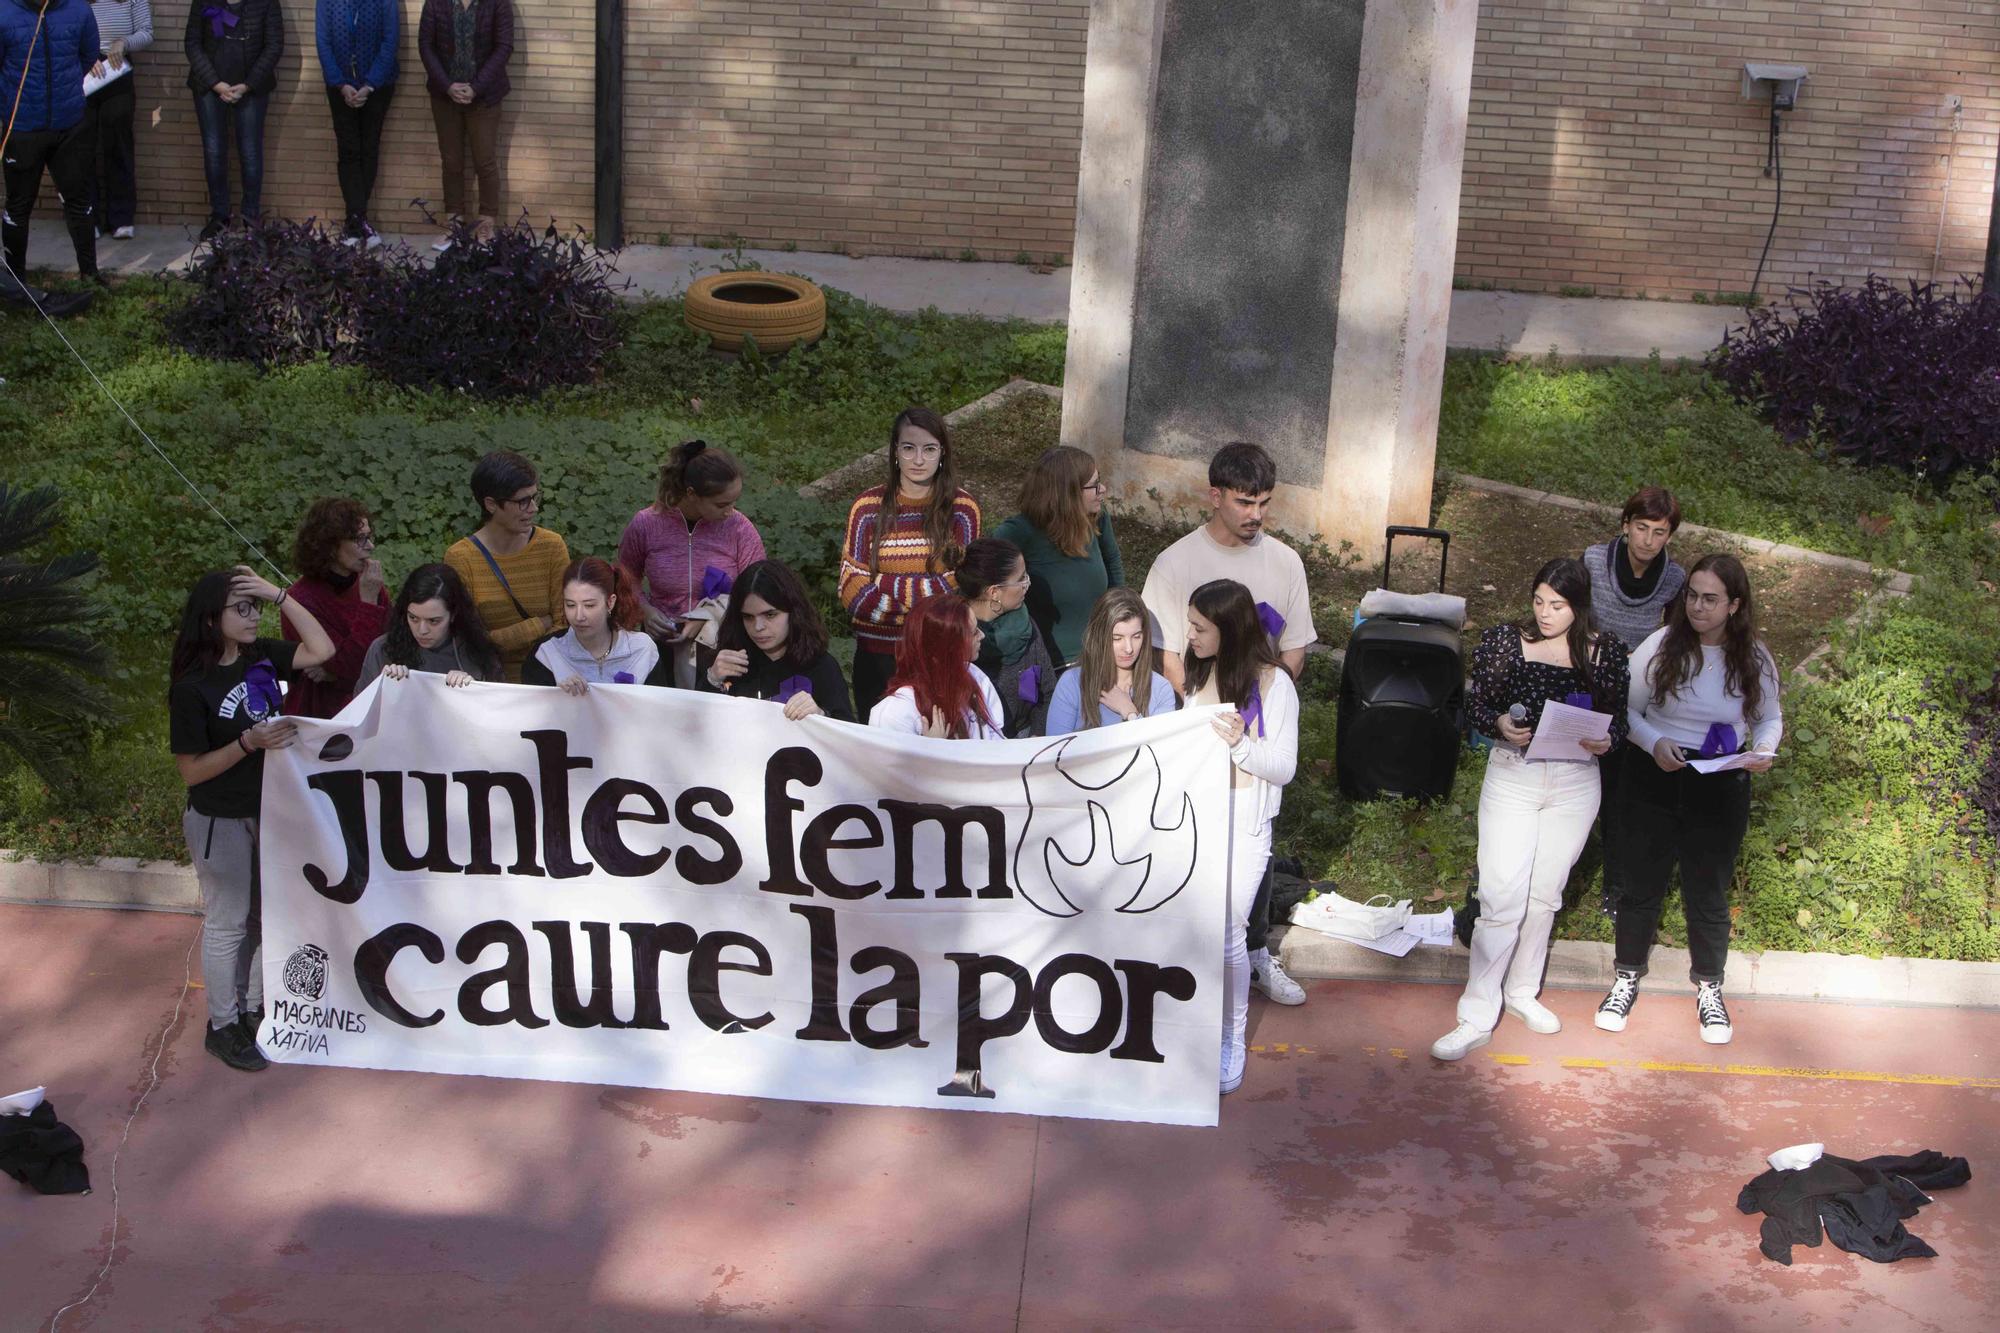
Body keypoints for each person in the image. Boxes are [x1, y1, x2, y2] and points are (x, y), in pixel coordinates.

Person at [1431, 559, 1631, 1062]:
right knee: (1500, 895)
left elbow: (1621, 720)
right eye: (1539, 600)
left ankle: (1521, 992)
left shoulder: (1606, 652)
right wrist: (1499, 722)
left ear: (1578, 606)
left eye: (1557, 605)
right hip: (1514, 773)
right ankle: (1476, 1013)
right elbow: (1475, 705)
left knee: (1545, 895)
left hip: (1576, 780)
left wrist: (1607, 740)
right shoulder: (1505, 641)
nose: (1545, 613)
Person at [1141, 440, 1316, 1008]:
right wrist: (1206, 709)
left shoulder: (1285, 562)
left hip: (1256, 740)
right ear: (1214, 495)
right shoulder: (1175, 564)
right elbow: (1166, 652)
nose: (1256, 515)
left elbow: (1293, 650)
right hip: (1198, 742)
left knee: (1256, 852)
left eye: (1265, 502)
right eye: (1244, 502)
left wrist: (1263, 702)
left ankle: (1257, 953)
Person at [1597, 553, 1782, 1046]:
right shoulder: (1661, 644)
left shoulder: (1754, 656)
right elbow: (1625, 710)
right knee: (1640, 883)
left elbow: (1767, 718)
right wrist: (1653, 742)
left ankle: (1710, 988)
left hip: (1720, 780)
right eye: (1692, 596)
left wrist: (1764, 749)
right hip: (1654, 772)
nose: (1698, 607)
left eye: (1710, 599)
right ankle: (1626, 977)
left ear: (1734, 605)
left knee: (1708, 889)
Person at [168, 564, 335, 1072]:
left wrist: (277, 593)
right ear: (210, 617)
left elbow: (321, 650)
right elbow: (193, 772)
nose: (251, 617)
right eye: (240, 609)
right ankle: (222, 1026)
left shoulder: (259, 656)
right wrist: (247, 743)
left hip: (271, 813)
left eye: (254, 608)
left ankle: (253, 1009)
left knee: (267, 918)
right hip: (220, 819)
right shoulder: (191, 686)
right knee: (227, 923)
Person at [1181, 579, 1298, 1093]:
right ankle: (1196, 1027)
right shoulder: (1196, 673)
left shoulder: (1276, 684)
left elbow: (1285, 767)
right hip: (1197, 819)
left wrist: (1241, 747)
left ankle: (1231, 1038)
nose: (1189, 635)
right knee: (1196, 929)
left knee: (1229, 932)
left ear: (1228, 631)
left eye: (1199, 627)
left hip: (1245, 822)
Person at [1583, 485, 1688, 919]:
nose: (1648, 540)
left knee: (1621, 791)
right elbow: (1573, 613)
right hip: (1588, 676)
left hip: (1637, 688)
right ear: (1625, 526)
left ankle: (1616, 881)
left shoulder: (1675, 579)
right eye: (1641, 528)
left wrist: (1640, 661)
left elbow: (1676, 636)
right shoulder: (1592, 560)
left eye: (1659, 532)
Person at [839, 406, 981, 717]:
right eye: (909, 448)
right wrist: (928, 605)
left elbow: (962, 586)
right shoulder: (867, 508)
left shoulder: (963, 509)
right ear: (894, 452)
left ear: (942, 453)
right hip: (877, 657)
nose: (918, 460)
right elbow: (852, 589)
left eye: (929, 449)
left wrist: (882, 582)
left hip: (938, 658)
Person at [617, 439, 765, 687]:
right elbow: (624, 576)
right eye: (722, 504)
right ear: (691, 494)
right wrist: (645, 610)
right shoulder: (647, 524)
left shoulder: (740, 529)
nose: (731, 510)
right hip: (660, 645)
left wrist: (707, 616)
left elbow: (758, 586)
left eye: (734, 501)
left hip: (721, 646)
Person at [443, 450, 570, 682]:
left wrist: (503, 639)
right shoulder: (461, 558)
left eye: (534, 497)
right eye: (522, 501)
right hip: (490, 682)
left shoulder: (551, 547)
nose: (533, 508)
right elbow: (473, 640)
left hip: (547, 677)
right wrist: (539, 623)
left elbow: (563, 625)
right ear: (491, 504)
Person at [1, 0, 103, 290]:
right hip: (21, 128)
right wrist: (9, 106)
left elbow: (88, 55)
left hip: (69, 125)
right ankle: (16, 283)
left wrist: (64, 91)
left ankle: (90, 277)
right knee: (18, 206)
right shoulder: (4, 10)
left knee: (79, 202)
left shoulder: (79, 9)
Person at [992, 445, 1124, 666]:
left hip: (1099, 656)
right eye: (1094, 485)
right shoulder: (1017, 533)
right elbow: (988, 589)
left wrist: (1118, 619)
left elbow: (1113, 564)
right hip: (1049, 664)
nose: (1103, 489)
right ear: (1068, 493)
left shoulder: (1096, 518)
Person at [700, 559, 853, 721]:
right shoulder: (731, 663)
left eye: (770, 615)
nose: (758, 627)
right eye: (748, 617)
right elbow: (695, 726)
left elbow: (848, 733)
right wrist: (712, 680)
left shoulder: (821, 666)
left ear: (794, 612)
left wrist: (821, 716)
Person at [277, 497, 387, 718]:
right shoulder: (300, 601)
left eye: (369, 537)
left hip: (372, 705)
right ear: (330, 545)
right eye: (360, 539)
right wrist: (368, 605)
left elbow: (387, 647)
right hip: (324, 715)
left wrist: (336, 674)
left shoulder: (368, 584)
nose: (370, 546)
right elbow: (351, 664)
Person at [417, 0, 513, 252]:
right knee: (451, 161)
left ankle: (485, 228)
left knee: (485, 161)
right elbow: (426, 46)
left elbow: (503, 47)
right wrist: (448, 85)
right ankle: (454, 227)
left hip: (485, 97)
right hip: (444, 96)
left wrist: (476, 87)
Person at [184, 0, 284, 240]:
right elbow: (192, 43)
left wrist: (248, 85)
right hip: (209, 87)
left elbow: (274, 45)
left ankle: (250, 216)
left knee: (250, 151)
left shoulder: (267, 3)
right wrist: (215, 84)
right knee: (214, 151)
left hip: (251, 88)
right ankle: (220, 215)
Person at [315, 0, 398, 249]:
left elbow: (390, 40)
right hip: (340, 87)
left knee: (368, 148)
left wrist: (369, 84)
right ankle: (357, 221)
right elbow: (323, 42)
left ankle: (355, 223)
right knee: (349, 150)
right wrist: (341, 84)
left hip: (378, 86)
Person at [868, 593, 1004, 740]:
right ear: (948, 646)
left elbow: (997, 746)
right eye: (973, 633)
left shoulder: (975, 676)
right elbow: (887, 763)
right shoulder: (895, 713)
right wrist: (932, 749)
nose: (982, 635)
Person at [956, 536, 1054, 738]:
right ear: (994, 592)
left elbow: (1047, 690)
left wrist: (1037, 736)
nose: (1028, 584)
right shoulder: (953, 633)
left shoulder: (1025, 625)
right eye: (1021, 579)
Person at [521, 557, 667, 691]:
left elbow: (656, 711)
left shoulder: (642, 650)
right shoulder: (547, 653)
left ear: (610, 602)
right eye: (570, 605)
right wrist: (557, 697)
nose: (579, 616)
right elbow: (535, 714)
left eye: (589, 605)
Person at [1046, 587, 1176, 734]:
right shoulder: (1071, 683)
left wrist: (1130, 712)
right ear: (1099, 637)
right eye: (1117, 638)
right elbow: (1056, 750)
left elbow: (1160, 751)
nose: (1128, 649)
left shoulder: (1161, 689)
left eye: (1136, 636)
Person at [356, 562, 503, 691]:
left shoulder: (475, 651)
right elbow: (359, 711)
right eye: (413, 618)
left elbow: (495, 712)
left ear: (453, 614)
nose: (422, 630)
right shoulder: (382, 650)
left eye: (433, 621)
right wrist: (383, 688)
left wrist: (474, 690)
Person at [86, 0, 151, 242]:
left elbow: (147, 32)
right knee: (83, 146)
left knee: (118, 144)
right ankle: (88, 217)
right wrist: (83, 55)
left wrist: (123, 42)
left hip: (117, 71)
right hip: (83, 73)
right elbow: (63, 29)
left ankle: (121, 218)